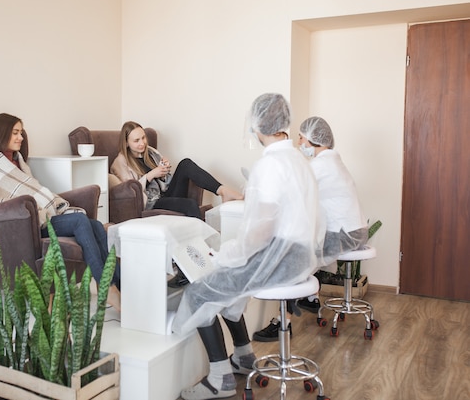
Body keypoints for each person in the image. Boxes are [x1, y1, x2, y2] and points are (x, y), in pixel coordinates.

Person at [171, 93, 320, 400]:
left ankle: (220, 378)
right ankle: (243, 357)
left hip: (280, 261)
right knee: (228, 283)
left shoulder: (270, 166)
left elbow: (259, 235)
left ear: (258, 125)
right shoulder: (298, 159)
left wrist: (226, 254)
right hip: (300, 258)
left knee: (201, 291)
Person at [0, 113, 121, 309]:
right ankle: (106, 288)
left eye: (21, 133)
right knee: (79, 221)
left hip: (37, 217)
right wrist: (33, 210)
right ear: (1, 133)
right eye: (15, 133)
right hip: (22, 225)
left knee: (95, 225)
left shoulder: (18, 162)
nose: (21, 138)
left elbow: (31, 190)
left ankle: (117, 284)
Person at [253, 116, 368, 342]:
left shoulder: (321, 165)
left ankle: (282, 323)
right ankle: (311, 298)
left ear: (313, 139)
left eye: (301, 137)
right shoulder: (332, 161)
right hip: (356, 231)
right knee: (306, 244)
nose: (298, 142)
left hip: (345, 235)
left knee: (293, 258)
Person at [110, 121, 243, 219]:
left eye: (143, 138)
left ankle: (223, 190)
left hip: (166, 194)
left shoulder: (150, 153)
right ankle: (200, 244)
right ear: (126, 143)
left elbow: (165, 181)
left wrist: (164, 169)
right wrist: (151, 175)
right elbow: (129, 193)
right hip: (153, 203)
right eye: (136, 140)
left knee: (186, 164)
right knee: (190, 204)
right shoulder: (121, 162)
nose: (142, 143)